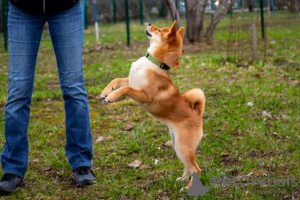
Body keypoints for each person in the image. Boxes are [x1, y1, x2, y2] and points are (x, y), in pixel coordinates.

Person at [0, 0, 96, 193]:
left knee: (73, 88)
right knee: (18, 90)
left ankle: (81, 164)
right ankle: (13, 169)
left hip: (66, 7)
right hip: (22, 8)